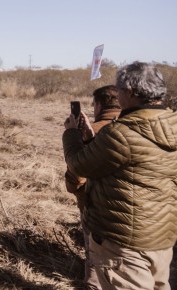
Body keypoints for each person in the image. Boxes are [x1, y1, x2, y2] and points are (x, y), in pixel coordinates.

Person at [63, 61, 177, 289]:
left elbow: (78, 165)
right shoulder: (171, 124)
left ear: (131, 92)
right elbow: (134, 165)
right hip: (162, 236)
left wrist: (71, 134)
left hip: (124, 243)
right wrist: (93, 142)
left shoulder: (121, 133)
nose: (118, 96)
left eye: (120, 90)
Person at [63, 85, 121, 290]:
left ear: (98, 106)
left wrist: (78, 191)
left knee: (95, 263)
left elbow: (77, 174)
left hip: (95, 207)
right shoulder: (132, 129)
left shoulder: (94, 130)